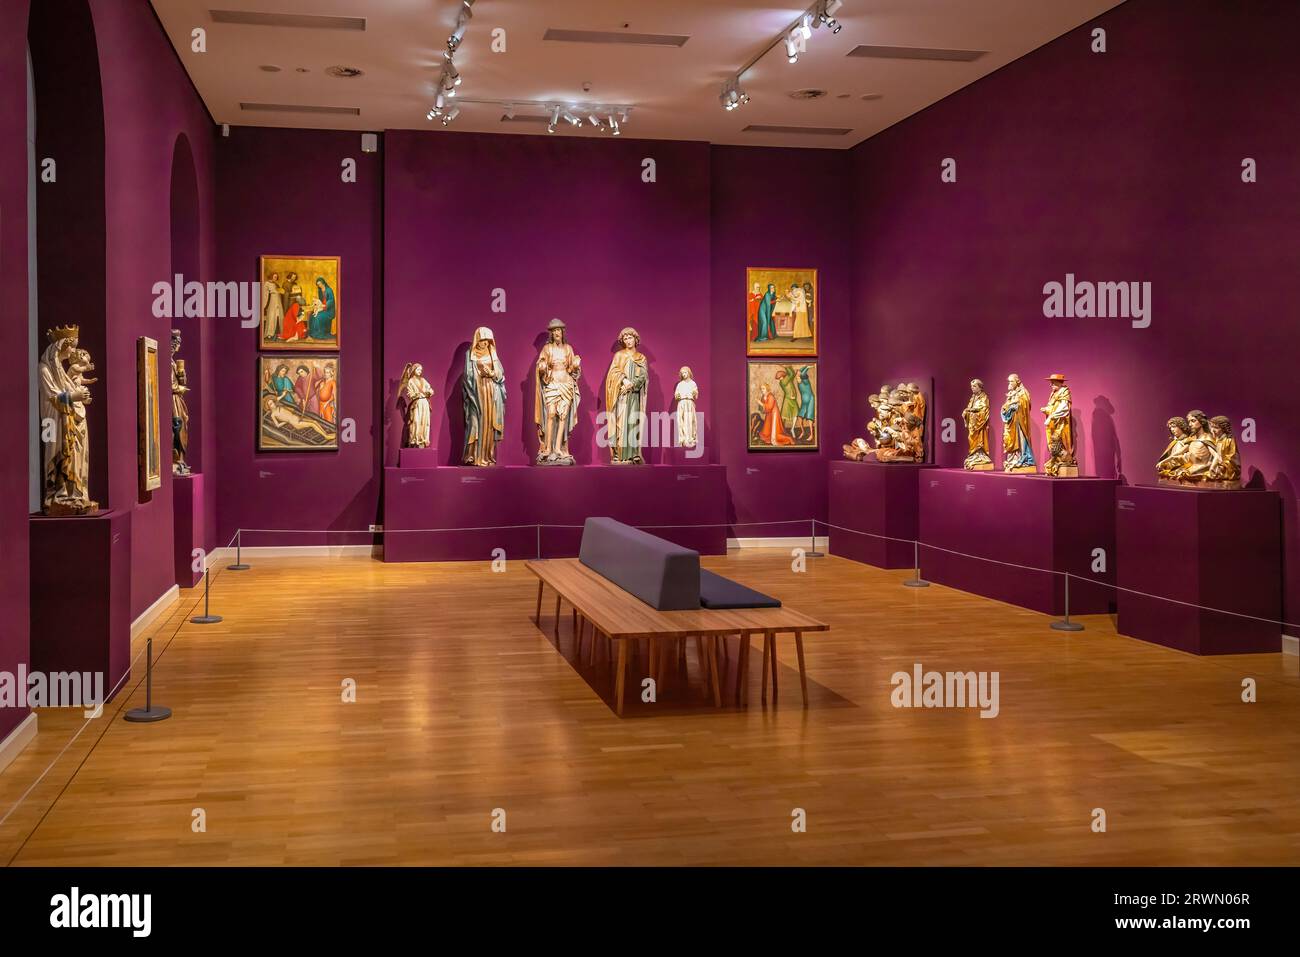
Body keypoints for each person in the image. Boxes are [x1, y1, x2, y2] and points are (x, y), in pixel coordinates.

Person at [534, 318, 582, 464]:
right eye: (554, 330)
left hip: (566, 383)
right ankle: (547, 448)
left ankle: (558, 448)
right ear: (551, 333)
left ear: (562, 332)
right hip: (552, 382)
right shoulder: (547, 349)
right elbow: (541, 363)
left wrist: (575, 365)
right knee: (551, 414)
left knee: (563, 416)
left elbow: (573, 368)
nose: (556, 333)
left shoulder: (568, 348)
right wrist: (542, 366)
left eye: (559, 330)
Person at [603, 327, 649, 464]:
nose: (628, 341)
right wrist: (624, 380)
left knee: (633, 421)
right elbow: (613, 373)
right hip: (621, 394)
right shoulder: (619, 356)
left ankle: (634, 453)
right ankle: (620, 453)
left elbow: (644, 375)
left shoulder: (641, 358)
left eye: (630, 337)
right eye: (626, 338)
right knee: (620, 422)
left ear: (636, 339)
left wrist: (633, 384)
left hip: (634, 395)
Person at [462, 327, 506, 466]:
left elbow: (500, 373)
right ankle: (474, 456)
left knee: (489, 424)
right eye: (482, 340)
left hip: (491, 392)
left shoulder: (492, 353)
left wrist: (492, 374)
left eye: (488, 340)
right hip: (476, 393)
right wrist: (479, 375)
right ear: (477, 340)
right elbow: (467, 376)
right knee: (476, 423)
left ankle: (487, 456)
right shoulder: (470, 354)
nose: (485, 343)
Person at [1001, 373, 1035, 471]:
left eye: (1011, 381)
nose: (1010, 383)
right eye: (1009, 381)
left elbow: (1025, 404)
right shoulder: (1011, 393)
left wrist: (1015, 405)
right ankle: (1013, 458)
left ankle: (1022, 457)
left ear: (1017, 381)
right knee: (1010, 439)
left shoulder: (1023, 392)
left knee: (1021, 440)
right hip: (1011, 421)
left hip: (1020, 422)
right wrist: (1005, 408)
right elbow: (1006, 405)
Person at [399, 362, 434, 448]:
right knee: (416, 421)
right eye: (418, 369)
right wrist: (416, 394)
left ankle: (423, 440)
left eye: (421, 370)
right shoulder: (411, 381)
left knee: (424, 421)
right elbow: (410, 393)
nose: (420, 371)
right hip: (417, 403)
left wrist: (429, 392)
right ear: (414, 370)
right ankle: (415, 440)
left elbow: (431, 389)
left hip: (425, 403)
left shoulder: (423, 380)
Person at [961, 379, 992, 470]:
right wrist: (965, 412)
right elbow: (969, 408)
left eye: (974, 386)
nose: (972, 388)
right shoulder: (973, 398)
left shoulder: (984, 397)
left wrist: (970, 410)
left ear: (980, 387)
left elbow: (983, 409)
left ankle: (980, 455)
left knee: (979, 440)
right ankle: (973, 455)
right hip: (972, 424)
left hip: (979, 425)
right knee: (971, 438)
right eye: (971, 386)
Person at [758, 381, 794, 446]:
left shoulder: (770, 396)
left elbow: (769, 406)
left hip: (774, 414)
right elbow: (763, 409)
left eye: (763, 388)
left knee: (775, 433)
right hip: (769, 414)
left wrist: (761, 403)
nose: (762, 390)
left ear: (767, 388)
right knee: (767, 428)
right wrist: (761, 404)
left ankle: (788, 439)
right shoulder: (764, 396)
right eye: (761, 389)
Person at [674, 366, 699, 448]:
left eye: (685, 372)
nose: (684, 374)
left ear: (689, 372)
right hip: (681, 403)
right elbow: (676, 394)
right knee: (681, 421)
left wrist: (695, 393)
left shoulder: (693, 383)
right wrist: (677, 396)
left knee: (689, 421)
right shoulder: (680, 384)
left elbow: (696, 395)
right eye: (682, 373)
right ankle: (683, 439)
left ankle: (690, 439)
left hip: (689, 403)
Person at [308, 276, 336, 341]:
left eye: (320, 284)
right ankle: (314, 333)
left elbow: (331, 300)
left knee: (318, 316)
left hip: (329, 310)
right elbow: (320, 300)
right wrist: (318, 305)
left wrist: (325, 305)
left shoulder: (329, 290)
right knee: (312, 316)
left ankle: (320, 334)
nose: (319, 285)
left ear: (323, 283)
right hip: (322, 307)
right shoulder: (320, 290)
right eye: (318, 284)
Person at [793, 365, 816, 442]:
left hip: (810, 400)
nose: (797, 377)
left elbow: (803, 373)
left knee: (809, 417)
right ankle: (802, 432)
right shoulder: (798, 383)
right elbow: (800, 372)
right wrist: (800, 370)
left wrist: (807, 367)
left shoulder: (805, 380)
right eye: (796, 377)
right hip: (804, 402)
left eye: (799, 376)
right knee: (799, 417)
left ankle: (812, 435)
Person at [261, 272, 284, 342]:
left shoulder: (276, 284)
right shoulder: (267, 283)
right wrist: (264, 304)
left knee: (279, 316)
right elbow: (265, 293)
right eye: (274, 276)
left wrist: (279, 292)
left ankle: (279, 333)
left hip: (278, 301)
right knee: (271, 316)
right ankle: (269, 333)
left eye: (276, 277)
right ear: (271, 276)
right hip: (272, 301)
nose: (275, 278)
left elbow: (281, 291)